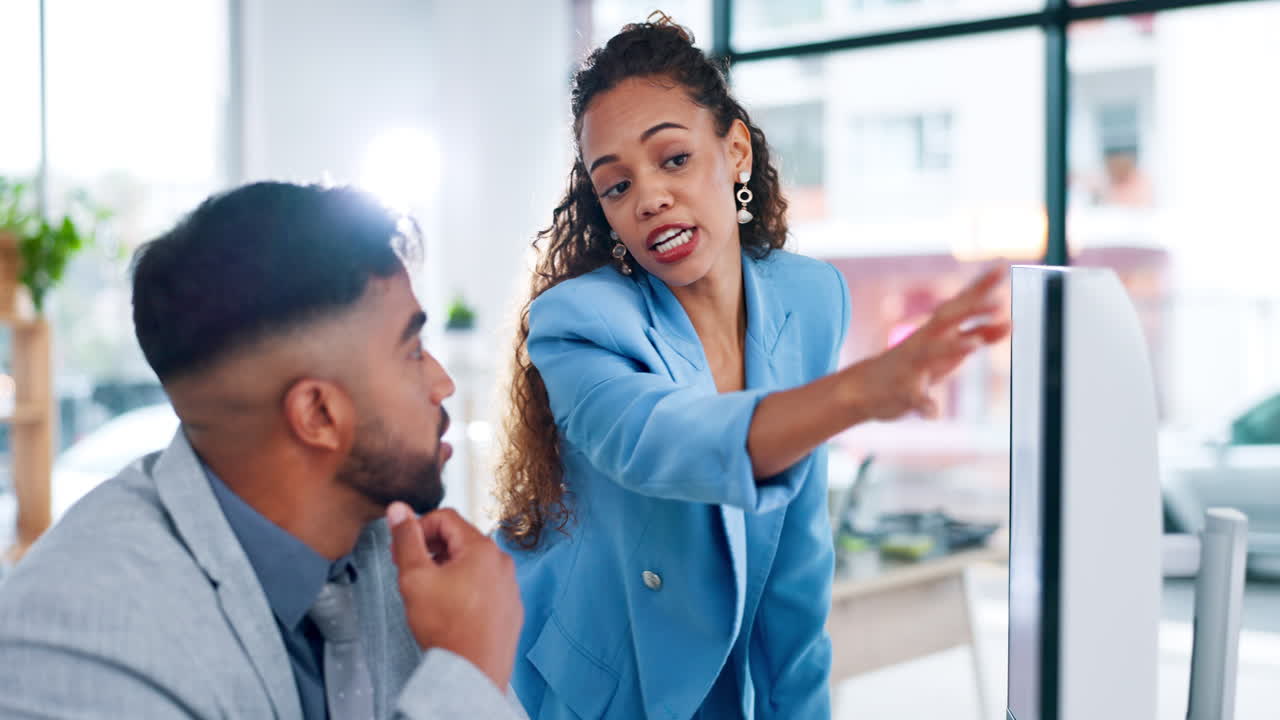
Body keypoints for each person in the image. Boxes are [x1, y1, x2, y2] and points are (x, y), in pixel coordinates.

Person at [493, 18, 1009, 719]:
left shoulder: (810, 297)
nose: (647, 197)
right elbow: (662, 441)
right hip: (602, 682)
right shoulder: (575, 320)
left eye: (672, 158)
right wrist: (858, 393)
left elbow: (796, 560)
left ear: (734, 150)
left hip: (722, 680)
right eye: (615, 185)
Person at [0, 182, 527, 719]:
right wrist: (465, 678)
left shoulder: (403, 558)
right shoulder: (81, 638)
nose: (443, 384)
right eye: (412, 350)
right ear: (318, 415)